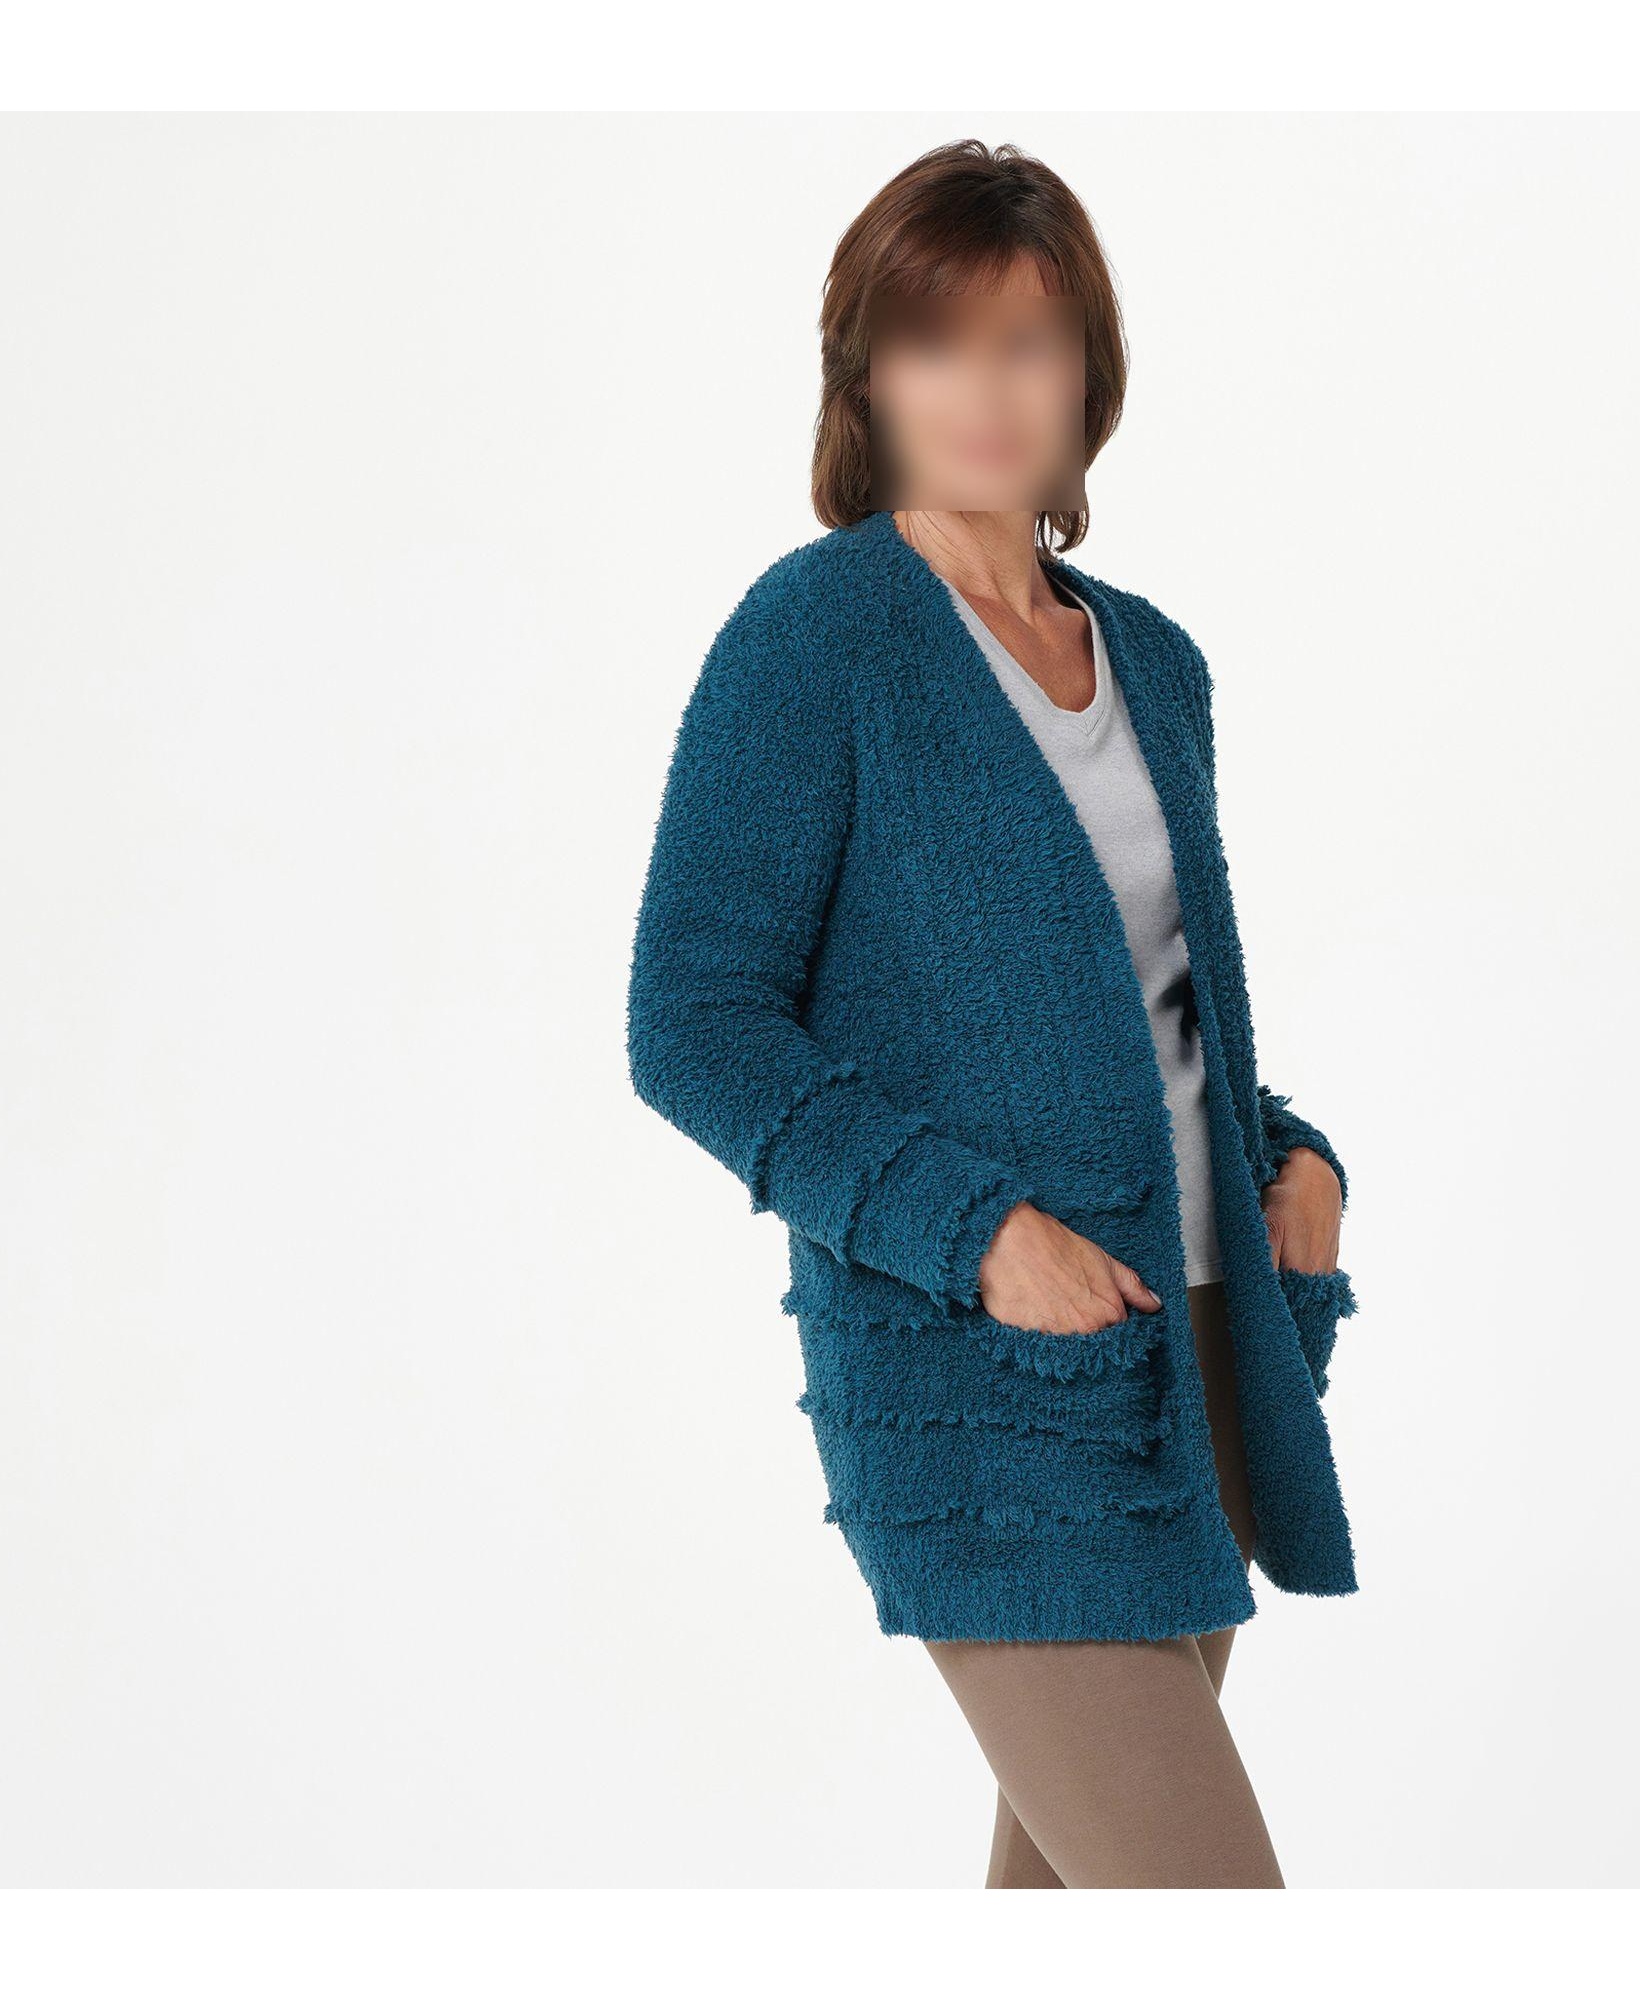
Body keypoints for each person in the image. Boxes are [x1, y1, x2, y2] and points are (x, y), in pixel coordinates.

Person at [626, 140, 1360, 1889]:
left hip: (1197, 1353)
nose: (985, 390)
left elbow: (1163, 1012)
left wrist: (1298, 1163)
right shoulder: (815, 641)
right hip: (997, 1384)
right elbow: (695, 1022)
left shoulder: (1154, 659)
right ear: (866, 376)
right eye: (936, 341)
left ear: (1088, 374)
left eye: (1028, 342)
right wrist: (980, 1236)